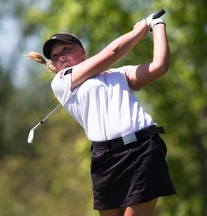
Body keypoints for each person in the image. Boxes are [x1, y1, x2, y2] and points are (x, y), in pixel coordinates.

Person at [29, 11, 175, 216]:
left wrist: (158, 25)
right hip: (105, 159)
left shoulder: (118, 74)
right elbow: (113, 52)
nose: (60, 56)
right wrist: (141, 28)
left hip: (143, 150)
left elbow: (159, 66)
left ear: (82, 52)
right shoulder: (62, 81)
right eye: (55, 56)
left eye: (66, 49)